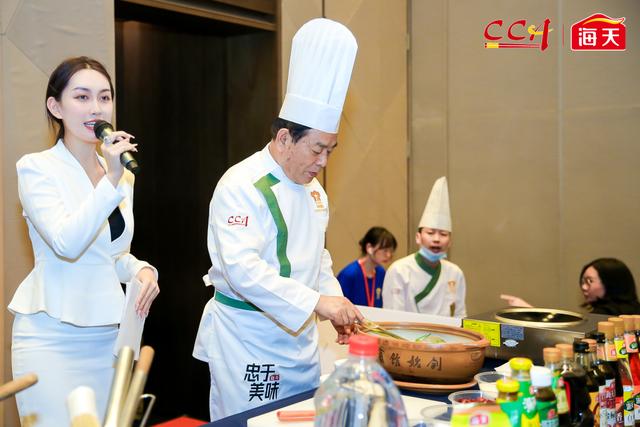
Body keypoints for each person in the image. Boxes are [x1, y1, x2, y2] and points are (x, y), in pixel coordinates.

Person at [193, 19, 363, 420]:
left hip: (300, 342)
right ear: (285, 138)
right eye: (317, 149)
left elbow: (318, 258)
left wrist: (335, 301)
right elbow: (242, 270)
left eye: (331, 150)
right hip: (247, 341)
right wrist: (318, 303)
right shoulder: (240, 185)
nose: (323, 162)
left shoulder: (314, 191)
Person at [8, 56, 159, 426]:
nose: (96, 108)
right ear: (55, 107)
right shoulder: (37, 168)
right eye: (82, 97)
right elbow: (67, 243)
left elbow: (110, 254)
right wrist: (110, 180)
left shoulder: (120, 175)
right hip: (51, 335)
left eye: (104, 97)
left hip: (107, 338)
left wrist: (141, 269)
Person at [383, 177, 467, 317]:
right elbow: (392, 317)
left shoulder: (455, 273)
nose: (436, 239)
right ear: (418, 237)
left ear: (450, 241)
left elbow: (460, 315)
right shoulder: (399, 270)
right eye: (430, 233)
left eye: (443, 234)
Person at [501, 258, 640, 315]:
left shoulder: (604, 316)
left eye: (590, 281)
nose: (583, 287)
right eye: (583, 282)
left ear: (610, 282)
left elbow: (568, 337)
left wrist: (530, 310)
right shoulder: (633, 308)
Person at [337, 226, 397, 307]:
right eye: (385, 250)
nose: (388, 255)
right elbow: (338, 305)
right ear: (369, 248)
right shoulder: (349, 274)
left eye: (391, 251)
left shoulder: (381, 272)